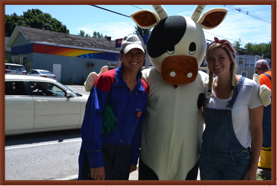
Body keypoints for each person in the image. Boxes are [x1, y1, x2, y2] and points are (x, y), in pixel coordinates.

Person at [78, 33, 149, 180]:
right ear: (121, 55)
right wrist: (95, 160)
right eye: (129, 53)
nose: (134, 58)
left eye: (138, 53)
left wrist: (133, 157)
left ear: (144, 56)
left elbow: (138, 128)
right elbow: (92, 122)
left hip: (124, 153)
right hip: (100, 150)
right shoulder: (106, 80)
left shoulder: (143, 89)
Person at [199, 37, 263, 180]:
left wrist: (253, 168)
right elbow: (205, 121)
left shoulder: (250, 88)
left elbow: (257, 130)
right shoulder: (205, 88)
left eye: (221, 57)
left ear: (231, 59)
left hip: (238, 161)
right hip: (207, 158)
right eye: (211, 59)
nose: (216, 63)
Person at [255, 59, 272, 169]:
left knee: (266, 134)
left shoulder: (261, 78)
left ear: (257, 69)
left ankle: (267, 163)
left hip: (267, 108)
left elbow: (256, 97)